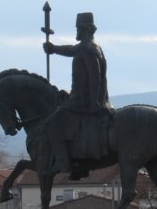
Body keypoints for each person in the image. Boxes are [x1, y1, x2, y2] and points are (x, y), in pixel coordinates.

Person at [42, 12, 112, 175]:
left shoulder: (87, 48)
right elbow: (71, 49)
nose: (76, 32)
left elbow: (95, 78)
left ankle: (63, 162)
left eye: (78, 28)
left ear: (84, 29)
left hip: (84, 101)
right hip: (84, 98)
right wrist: (53, 49)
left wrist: (94, 102)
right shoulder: (92, 46)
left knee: (52, 123)